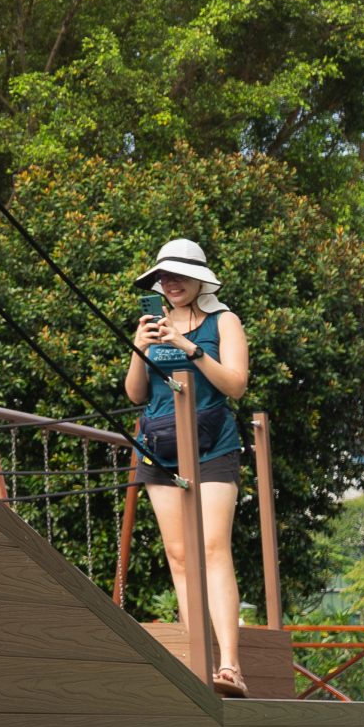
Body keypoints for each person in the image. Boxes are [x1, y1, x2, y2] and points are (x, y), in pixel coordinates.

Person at [123, 237, 253, 699]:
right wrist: (140, 347)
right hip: (159, 446)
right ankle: (199, 663)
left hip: (213, 444)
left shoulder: (224, 321)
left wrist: (190, 347)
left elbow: (235, 385)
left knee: (213, 547)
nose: (171, 283)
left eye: (179, 275)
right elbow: (136, 394)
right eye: (164, 276)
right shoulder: (153, 325)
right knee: (178, 556)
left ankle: (230, 665)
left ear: (200, 278)